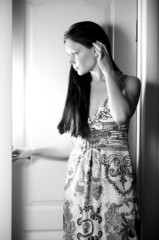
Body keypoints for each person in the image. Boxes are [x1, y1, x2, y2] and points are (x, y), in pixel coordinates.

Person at [13, 21, 141, 239]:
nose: (71, 60)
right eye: (68, 54)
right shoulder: (79, 89)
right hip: (78, 189)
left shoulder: (129, 83)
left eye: (75, 52)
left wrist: (107, 70)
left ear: (96, 48)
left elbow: (120, 117)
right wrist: (32, 150)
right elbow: (78, 146)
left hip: (117, 189)